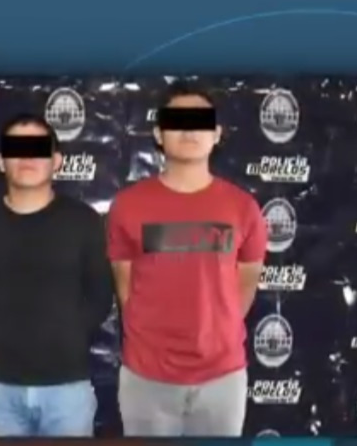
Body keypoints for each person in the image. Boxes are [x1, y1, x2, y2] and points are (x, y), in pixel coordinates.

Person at [106, 82, 268, 437]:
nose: (189, 130)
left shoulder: (243, 208)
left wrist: (216, 330)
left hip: (221, 379)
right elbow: (125, 285)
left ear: (216, 134)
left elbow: (246, 284)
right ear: (159, 134)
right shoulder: (128, 206)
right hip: (146, 378)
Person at [0, 114, 113, 437]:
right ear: (1, 161)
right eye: (17, 148)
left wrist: (66, 333)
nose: (27, 157)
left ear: (56, 161)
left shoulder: (83, 221)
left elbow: (100, 295)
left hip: (67, 387)